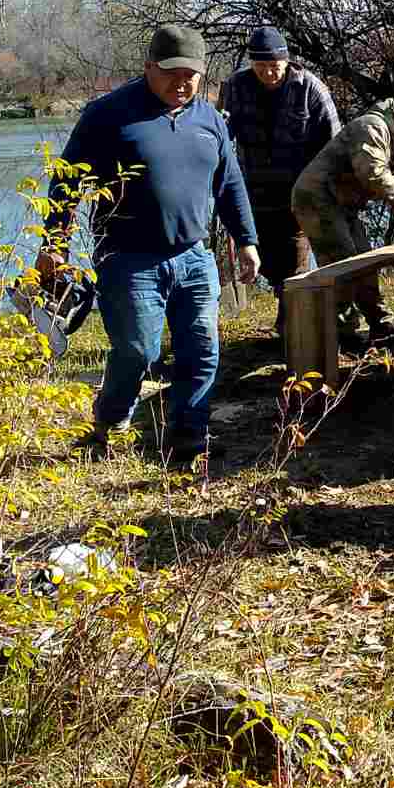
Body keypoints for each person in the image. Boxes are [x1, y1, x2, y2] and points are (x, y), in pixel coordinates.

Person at [39, 25, 259, 466]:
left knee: (202, 348)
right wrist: (55, 243)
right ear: (148, 69)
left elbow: (229, 183)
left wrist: (247, 239)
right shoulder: (107, 115)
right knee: (138, 350)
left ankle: (189, 438)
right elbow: (67, 180)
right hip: (128, 259)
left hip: (194, 257)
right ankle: (109, 420)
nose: (182, 83)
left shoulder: (209, 119)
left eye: (191, 76)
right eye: (171, 74)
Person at [291, 83, 394, 348]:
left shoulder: (391, 135)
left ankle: (380, 324)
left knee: (364, 260)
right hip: (318, 200)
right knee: (343, 265)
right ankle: (343, 335)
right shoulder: (372, 128)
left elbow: (390, 185)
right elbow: (377, 178)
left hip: (342, 204)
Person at [218, 27, 341, 337]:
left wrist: (327, 188)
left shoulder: (311, 89)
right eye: (261, 67)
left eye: (275, 66)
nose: (269, 73)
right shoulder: (235, 86)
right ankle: (286, 318)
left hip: (300, 189)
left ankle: (296, 326)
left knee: (297, 256)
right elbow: (220, 137)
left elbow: (334, 144)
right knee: (269, 258)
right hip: (255, 189)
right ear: (251, 65)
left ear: (287, 62)